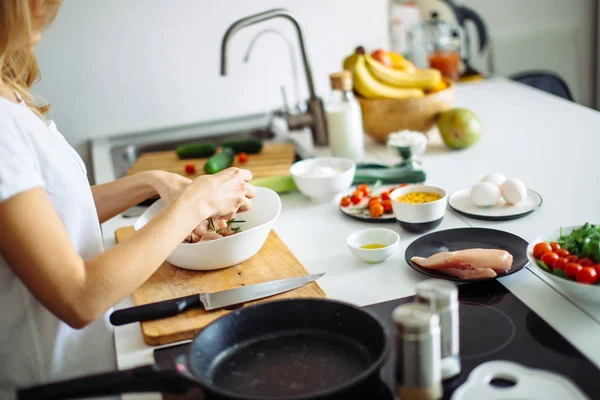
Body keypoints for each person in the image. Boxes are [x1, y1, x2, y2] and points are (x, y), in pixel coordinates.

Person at [0, 1, 256, 398]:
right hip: (54, 385)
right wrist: (194, 205)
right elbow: (78, 296)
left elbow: (53, 215)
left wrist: (150, 183)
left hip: (92, 365)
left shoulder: (8, 93)